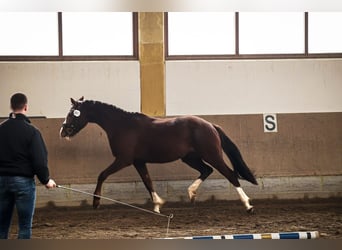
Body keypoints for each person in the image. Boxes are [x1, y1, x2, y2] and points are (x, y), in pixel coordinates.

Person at [0, 93, 56, 239]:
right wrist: (46, 180)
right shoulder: (32, 131)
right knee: (24, 227)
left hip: (1, 181)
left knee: (1, 226)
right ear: (26, 107)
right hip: (23, 183)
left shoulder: (1, 129)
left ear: (11, 107)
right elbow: (39, 160)